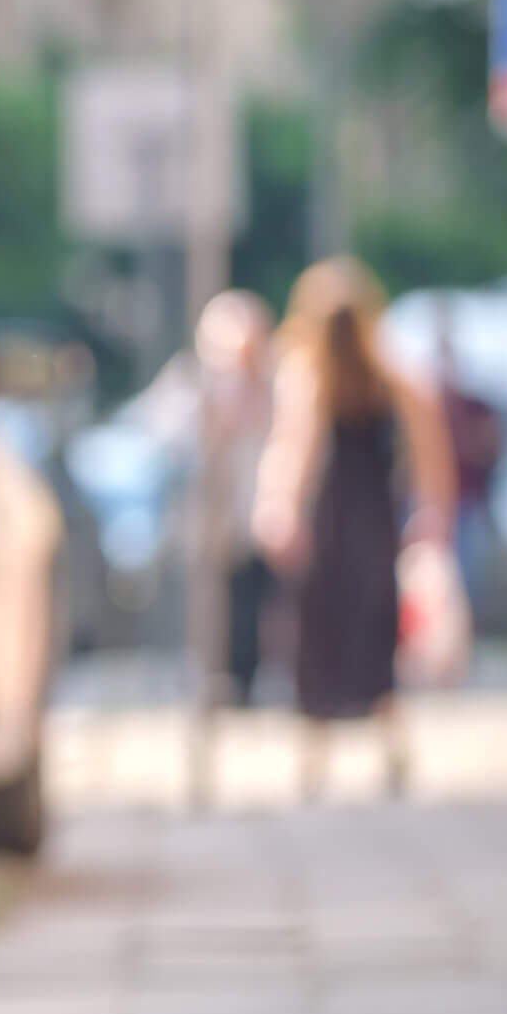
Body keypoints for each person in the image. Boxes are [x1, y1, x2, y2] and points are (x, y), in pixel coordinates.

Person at [254, 259, 458, 800]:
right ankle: (375, 749)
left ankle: (319, 756)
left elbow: (292, 450)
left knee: (331, 636)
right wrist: (432, 514)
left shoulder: (329, 374)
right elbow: (431, 452)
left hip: (338, 522)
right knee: (362, 634)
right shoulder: (384, 375)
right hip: (368, 521)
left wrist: (281, 509)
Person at [196, 290, 277, 706]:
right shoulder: (215, 392)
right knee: (236, 602)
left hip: (269, 509)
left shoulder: (278, 385)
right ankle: (236, 680)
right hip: (234, 513)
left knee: (270, 600)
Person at [433, 306, 504, 614]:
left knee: (466, 575)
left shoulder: (474, 405)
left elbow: (492, 445)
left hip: (466, 500)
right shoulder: (430, 402)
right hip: (437, 501)